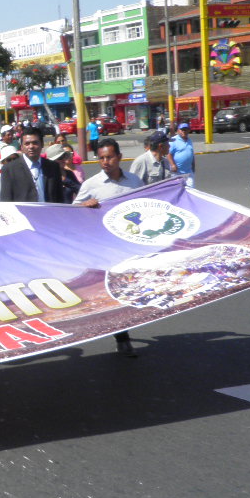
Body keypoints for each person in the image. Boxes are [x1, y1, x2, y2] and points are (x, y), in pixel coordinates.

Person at [74, 138, 144, 359]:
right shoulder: (91, 185)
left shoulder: (134, 181)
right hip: (104, 248)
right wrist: (85, 207)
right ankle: (122, 338)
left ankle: (120, 330)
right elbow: (72, 212)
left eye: (109, 157)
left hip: (129, 245)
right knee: (114, 293)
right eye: (101, 158)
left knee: (134, 291)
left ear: (119, 157)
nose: (105, 162)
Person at [0, 126, 63, 203]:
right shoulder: (9, 169)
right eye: (27, 144)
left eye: (35, 143)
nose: (31, 147)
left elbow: (59, 198)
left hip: (48, 213)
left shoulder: (53, 167)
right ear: (21, 147)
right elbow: (6, 200)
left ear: (42, 144)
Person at [168, 122, 196, 188]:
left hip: (188, 172)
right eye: (182, 130)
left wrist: (193, 165)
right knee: (177, 190)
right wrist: (173, 165)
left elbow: (191, 153)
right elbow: (169, 154)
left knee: (191, 190)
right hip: (177, 172)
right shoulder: (173, 140)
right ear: (178, 130)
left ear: (189, 130)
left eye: (186, 130)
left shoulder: (189, 140)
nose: (184, 131)